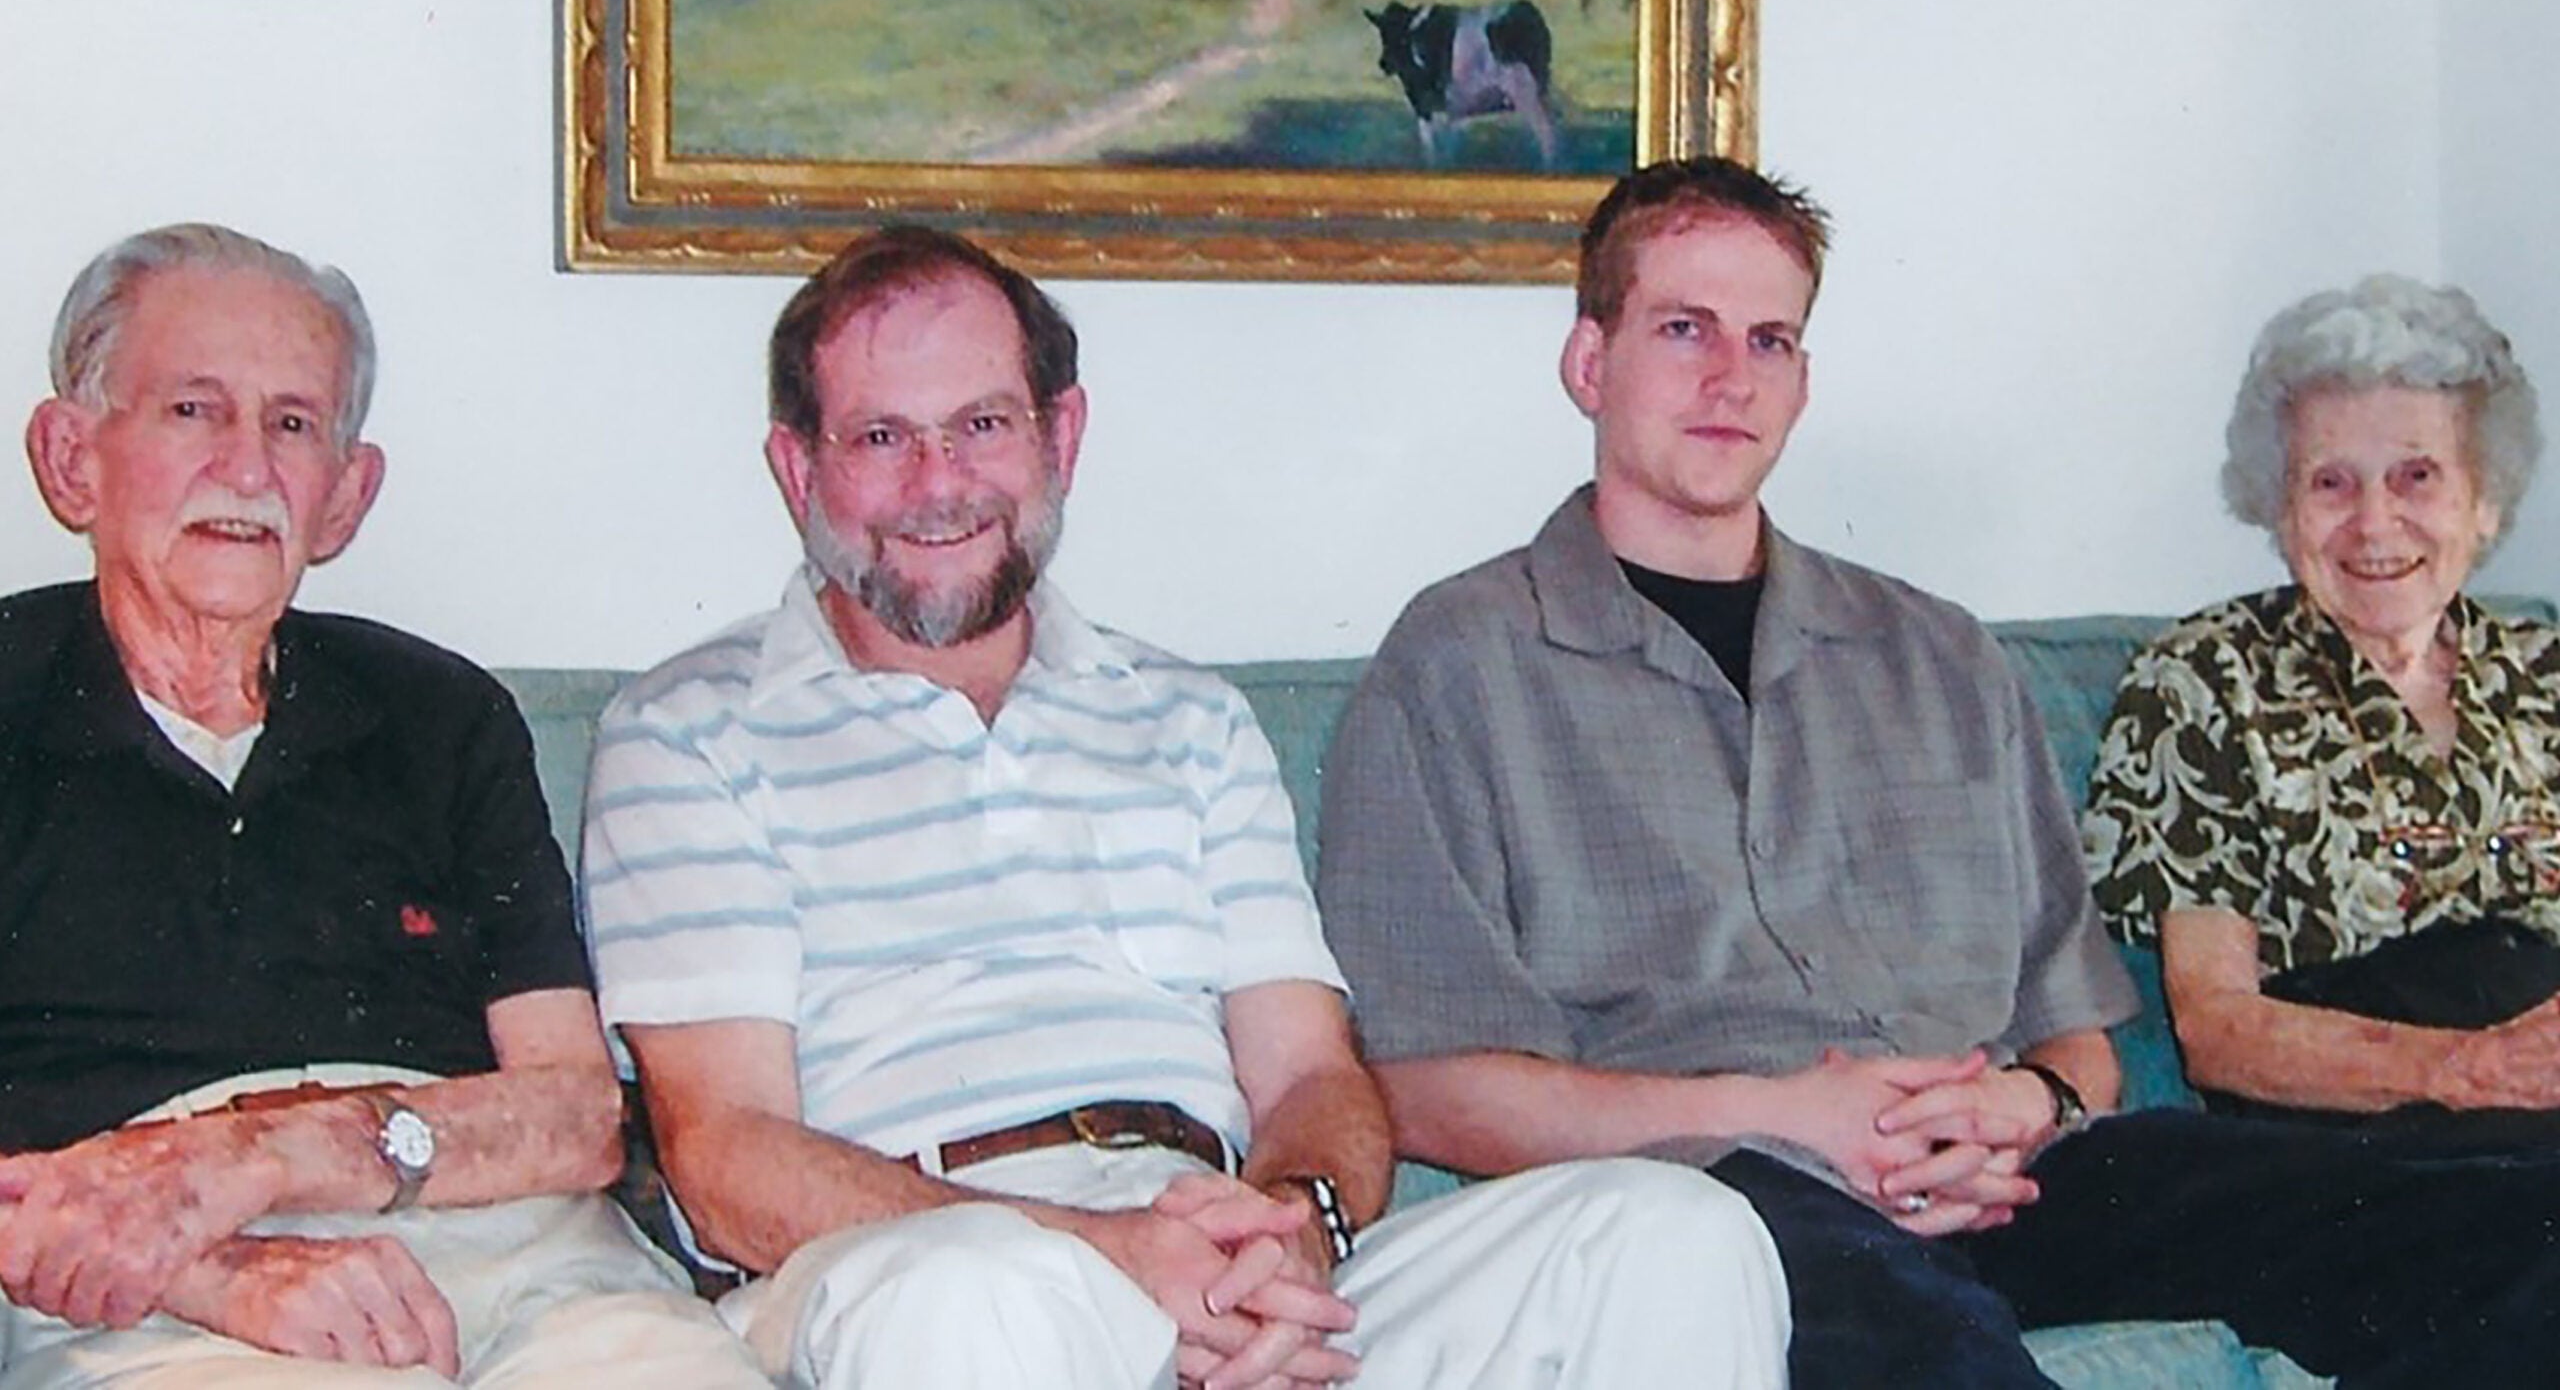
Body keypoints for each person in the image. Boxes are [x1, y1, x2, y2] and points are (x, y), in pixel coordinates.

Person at [1314, 157, 2560, 1387]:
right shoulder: (1460, 663)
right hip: (1721, 1195)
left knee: (2514, 1219)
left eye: (1769, 340)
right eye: (1684, 328)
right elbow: (1428, 1091)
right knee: (1933, 1355)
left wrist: (2031, 1104)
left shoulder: (1937, 656)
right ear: (1591, 362)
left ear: (1802, 381)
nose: (1730, 377)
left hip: (2019, 1177)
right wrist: (1782, 1114)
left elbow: (2076, 1041)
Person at [578, 225, 1788, 1390]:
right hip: (912, 1255)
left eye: (983, 425)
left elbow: (1311, 1075)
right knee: (976, 1293)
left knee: (1669, 1229)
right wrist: (1113, 1256)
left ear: (1061, 436)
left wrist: (1289, 1230)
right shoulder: (689, 732)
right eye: (882, 436)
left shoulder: (1187, 717)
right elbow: (725, 1156)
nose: (938, 483)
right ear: (799, 468)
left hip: (1210, 1238)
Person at [0, 225, 760, 1387]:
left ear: (346, 496)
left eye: (293, 424)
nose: (248, 469)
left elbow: (576, 1115)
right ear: (70, 459)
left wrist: (272, 1157)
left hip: (516, 1246)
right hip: (158, 1291)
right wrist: (214, 1261)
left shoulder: (438, 712)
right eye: (194, 410)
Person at [2086, 275, 2560, 1126]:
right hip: (2357, 1137)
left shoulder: (2547, 672)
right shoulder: (2207, 680)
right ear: (2281, 507)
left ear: (2486, 500)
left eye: (2417, 476)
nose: (2375, 523)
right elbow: (2217, 1029)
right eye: (2331, 483)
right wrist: (2469, 1069)